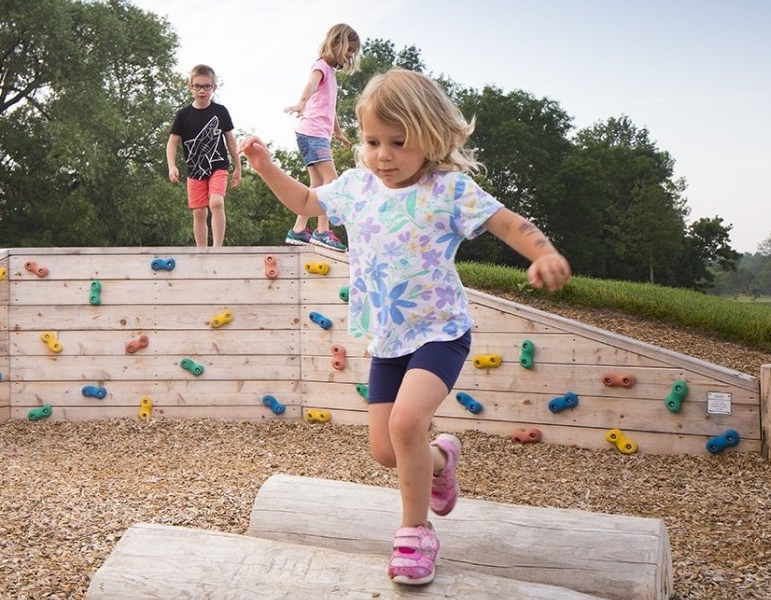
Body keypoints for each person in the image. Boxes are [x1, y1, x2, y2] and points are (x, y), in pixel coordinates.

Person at [240, 69, 571, 586]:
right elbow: (307, 204)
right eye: (373, 142)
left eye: (399, 143)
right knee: (385, 451)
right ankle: (442, 459)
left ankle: (416, 534)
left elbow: (506, 222)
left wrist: (543, 251)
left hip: (441, 332)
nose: (384, 155)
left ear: (431, 138)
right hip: (388, 339)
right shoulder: (357, 188)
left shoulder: (448, 190)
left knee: (405, 423)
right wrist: (265, 167)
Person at [282, 23, 359, 253]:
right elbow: (311, 85)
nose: (350, 56)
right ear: (336, 44)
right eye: (348, 51)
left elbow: (330, 108)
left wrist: (339, 134)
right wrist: (301, 102)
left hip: (315, 133)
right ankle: (322, 232)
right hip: (312, 131)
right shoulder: (321, 66)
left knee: (316, 184)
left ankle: (298, 230)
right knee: (332, 182)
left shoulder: (332, 74)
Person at [167, 64, 241, 247]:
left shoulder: (220, 111)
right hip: (194, 169)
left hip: (218, 166)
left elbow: (230, 140)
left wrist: (238, 167)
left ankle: (217, 249)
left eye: (207, 86)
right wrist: (172, 165)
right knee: (199, 212)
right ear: (190, 87)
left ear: (214, 87)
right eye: (198, 86)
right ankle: (202, 252)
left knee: (216, 202)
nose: (202, 90)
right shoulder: (183, 115)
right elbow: (172, 142)